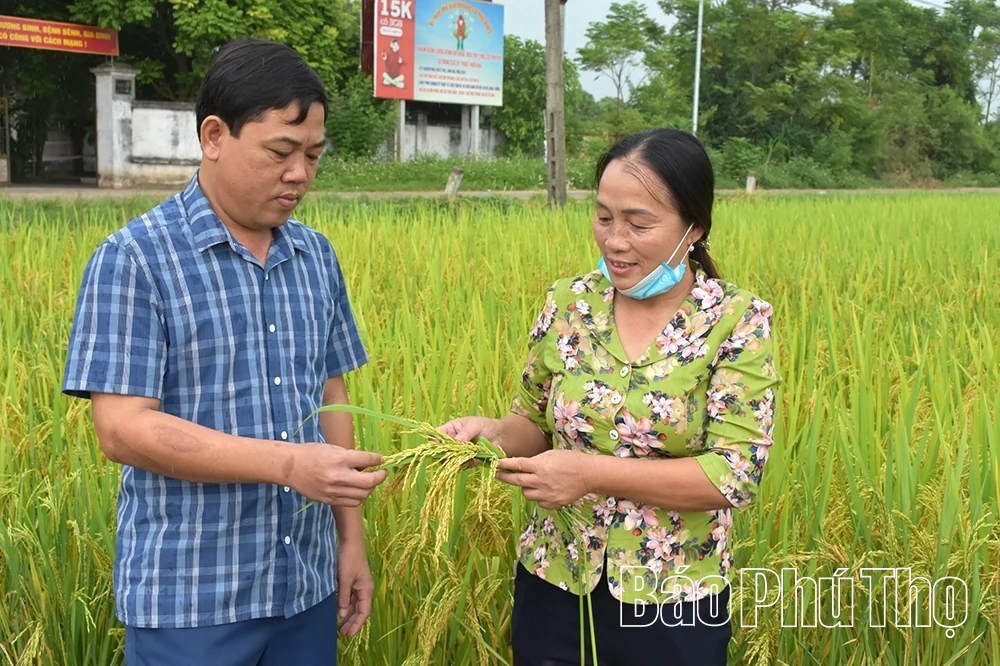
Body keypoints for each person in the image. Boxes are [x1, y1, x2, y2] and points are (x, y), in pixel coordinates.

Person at [62, 38, 387, 666]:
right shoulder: (135, 259)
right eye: (281, 152)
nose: (300, 174)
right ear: (214, 136)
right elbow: (123, 429)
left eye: (314, 156)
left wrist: (352, 538)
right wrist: (288, 464)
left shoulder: (316, 256)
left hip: (306, 587)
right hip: (193, 602)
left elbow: (331, 393)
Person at [440, 128, 781, 666]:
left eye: (639, 223)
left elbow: (734, 475)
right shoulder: (569, 302)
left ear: (693, 229)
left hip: (670, 601)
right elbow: (531, 425)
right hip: (554, 582)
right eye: (604, 217)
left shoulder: (736, 320)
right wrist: (493, 434)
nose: (615, 240)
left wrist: (589, 474)